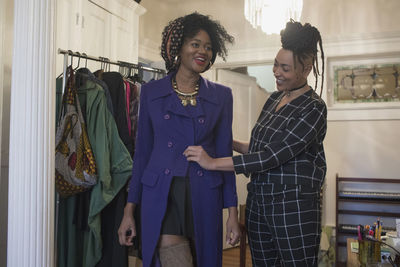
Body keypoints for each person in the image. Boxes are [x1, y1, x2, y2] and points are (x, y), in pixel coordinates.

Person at [184, 19, 327, 267]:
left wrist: (212, 163)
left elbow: (272, 156)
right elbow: (258, 149)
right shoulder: (273, 100)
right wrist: (226, 142)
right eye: (275, 64)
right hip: (259, 203)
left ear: (306, 69)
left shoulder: (314, 108)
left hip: (293, 208)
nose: (276, 72)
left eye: (285, 68)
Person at [118, 12, 240, 267]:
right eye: (195, 44)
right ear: (178, 47)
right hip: (162, 191)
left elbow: (224, 155)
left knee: (204, 258)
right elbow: (142, 155)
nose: (203, 52)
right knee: (174, 260)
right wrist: (129, 211)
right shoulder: (151, 92)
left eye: (208, 47)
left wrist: (232, 213)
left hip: (205, 190)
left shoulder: (222, 96)